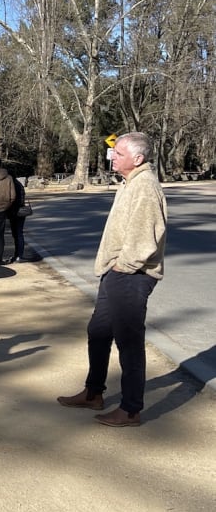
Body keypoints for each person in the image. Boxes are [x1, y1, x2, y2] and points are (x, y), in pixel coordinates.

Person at [57, 131, 167, 427]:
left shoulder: (144, 186)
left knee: (129, 342)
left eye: (118, 153)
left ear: (138, 159)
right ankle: (93, 392)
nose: (112, 157)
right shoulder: (130, 182)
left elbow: (147, 238)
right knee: (99, 331)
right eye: (114, 152)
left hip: (131, 275)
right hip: (116, 272)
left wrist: (123, 266)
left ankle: (131, 409)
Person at [5, 169, 27, 263]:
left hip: (15, 212)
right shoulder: (18, 184)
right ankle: (18, 254)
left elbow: (13, 199)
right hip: (20, 211)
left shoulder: (12, 185)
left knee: (17, 234)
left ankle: (18, 255)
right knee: (18, 234)